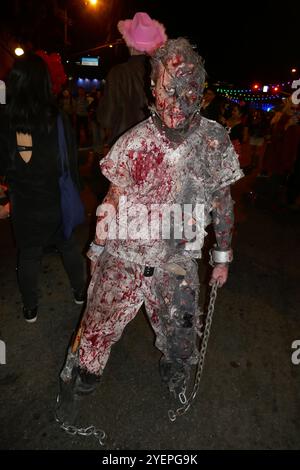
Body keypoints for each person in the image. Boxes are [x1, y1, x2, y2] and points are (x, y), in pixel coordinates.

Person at [60, 38, 243, 404]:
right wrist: (98, 247)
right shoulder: (133, 143)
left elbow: (222, 202)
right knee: (99, 319)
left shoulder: (214, 142)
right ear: (152, 86)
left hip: (176, 261)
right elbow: (112, 199)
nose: (177, 98)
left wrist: (222, 255)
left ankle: (176, 367)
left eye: (188, 87)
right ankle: (87, 368)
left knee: (181, 329)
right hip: (124, 255)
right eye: (167, 86)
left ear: (201, 91)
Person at [0, 53, 86, 323]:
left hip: (24, 203)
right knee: (68, 245)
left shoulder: (7, 120)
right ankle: (80, 293)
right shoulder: (57, 118)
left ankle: (30, 308)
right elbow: (70, 161)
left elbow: (5, 163)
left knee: (28, 253)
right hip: (55, 200)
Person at [97, 12, 167, 148]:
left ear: (129, 43)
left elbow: (106, 119)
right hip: (153, 148)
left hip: (124, 147)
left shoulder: (117, 73)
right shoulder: (160, 73)